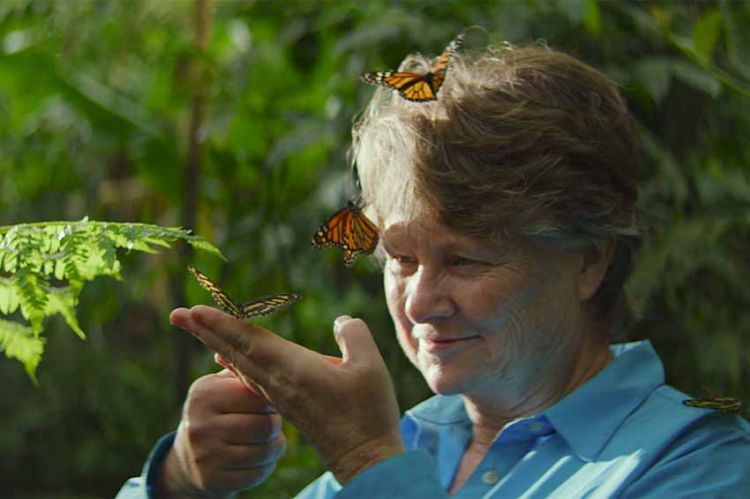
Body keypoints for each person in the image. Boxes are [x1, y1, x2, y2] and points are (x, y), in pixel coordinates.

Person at [118, 43, 750, 498]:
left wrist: (368, 462)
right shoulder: (417, 441)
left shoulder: (700, 463)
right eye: (401, 258)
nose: (419, 304)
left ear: (589, 259)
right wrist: (179, 481)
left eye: (467, 259)